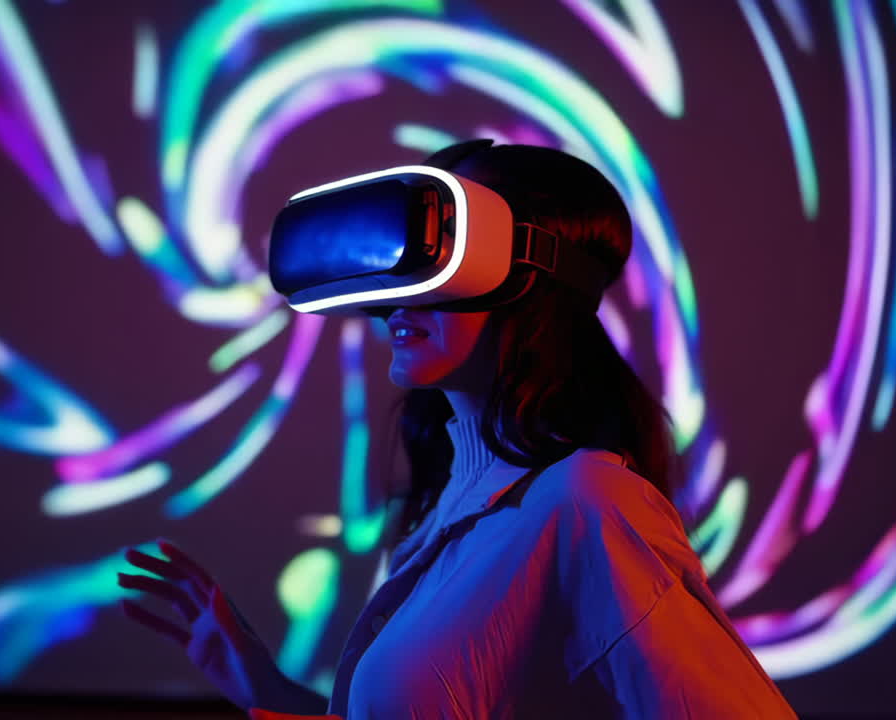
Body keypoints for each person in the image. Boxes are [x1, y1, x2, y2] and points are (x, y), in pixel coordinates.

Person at [117, 142, 797, 718]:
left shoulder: (588, 501)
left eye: (437, 252)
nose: (396, 295)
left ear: (529, 272)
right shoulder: (457, 511)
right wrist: (264, 688)